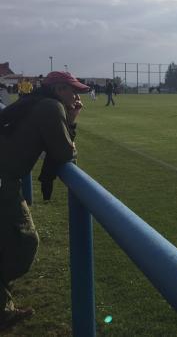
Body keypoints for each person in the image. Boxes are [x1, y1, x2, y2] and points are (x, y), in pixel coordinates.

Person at [0, 71, 88, 330]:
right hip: (3, 182)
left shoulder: (36, 101)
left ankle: (3, 310)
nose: (76, 96)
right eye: (73, 91)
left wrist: (69, 119)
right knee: (25, 243)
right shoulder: (51, 107)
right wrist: (72, 120)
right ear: (59, 89)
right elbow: (63, 153)